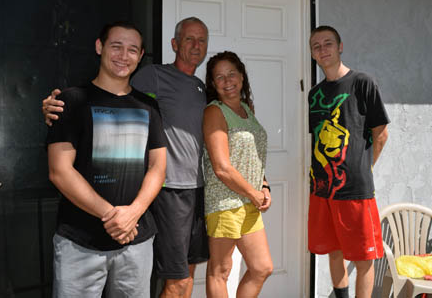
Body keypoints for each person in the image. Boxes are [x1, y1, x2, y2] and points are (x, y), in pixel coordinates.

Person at [42, 17, 210, 298]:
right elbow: (60, 171)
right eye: (116, 46)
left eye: (132, 49)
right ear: (99, 47)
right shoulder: (71, 101)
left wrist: (132, 214)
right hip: (80, 241)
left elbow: (158, 167)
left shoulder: (149, 106)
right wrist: (113, 216)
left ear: (140, 55)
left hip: (137, 240)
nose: (124, 56)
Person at [307, 26, 389, 298]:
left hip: (355, 189)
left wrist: (364, 169)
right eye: (316, 46)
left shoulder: (363, 83)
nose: (322, 49)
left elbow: (381, 134)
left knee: (364, 258)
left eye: (328, 43)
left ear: (340, 46)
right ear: (313, 54)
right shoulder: (315, 94)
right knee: (334, 251)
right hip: (323, 188)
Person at [202, 51, 273, 297]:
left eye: (231, 74)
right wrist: (253, 193)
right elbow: (222, 167)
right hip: (224, 201)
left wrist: (264, 186)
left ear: (242, 77)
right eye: (219, 77)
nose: (227, 81)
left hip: (250, 199)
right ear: (212, 84)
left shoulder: (246, 108)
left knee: (262, 267)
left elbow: (254, 155)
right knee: (220, 271)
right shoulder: (214, 111)